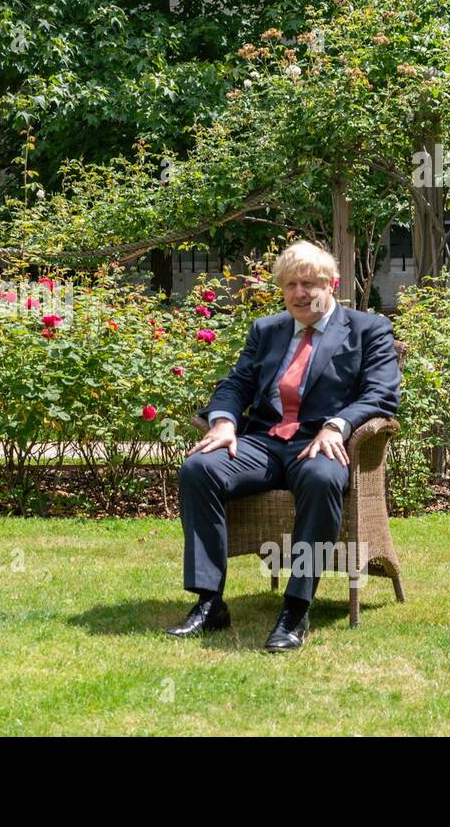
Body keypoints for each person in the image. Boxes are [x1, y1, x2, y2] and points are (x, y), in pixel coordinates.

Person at [169, 240, 400, 651]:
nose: (299, 293)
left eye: (309, 283)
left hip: (320, 443)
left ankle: (295, 609)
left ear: (332, 283)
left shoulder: (368, 330)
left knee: (321, 478)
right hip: (264, 441)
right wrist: (223, 423)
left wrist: (337, 426)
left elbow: (381, 394)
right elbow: (235, 384)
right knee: (199, 467)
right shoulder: (267, 330)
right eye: (290, 284)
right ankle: (209, 603)